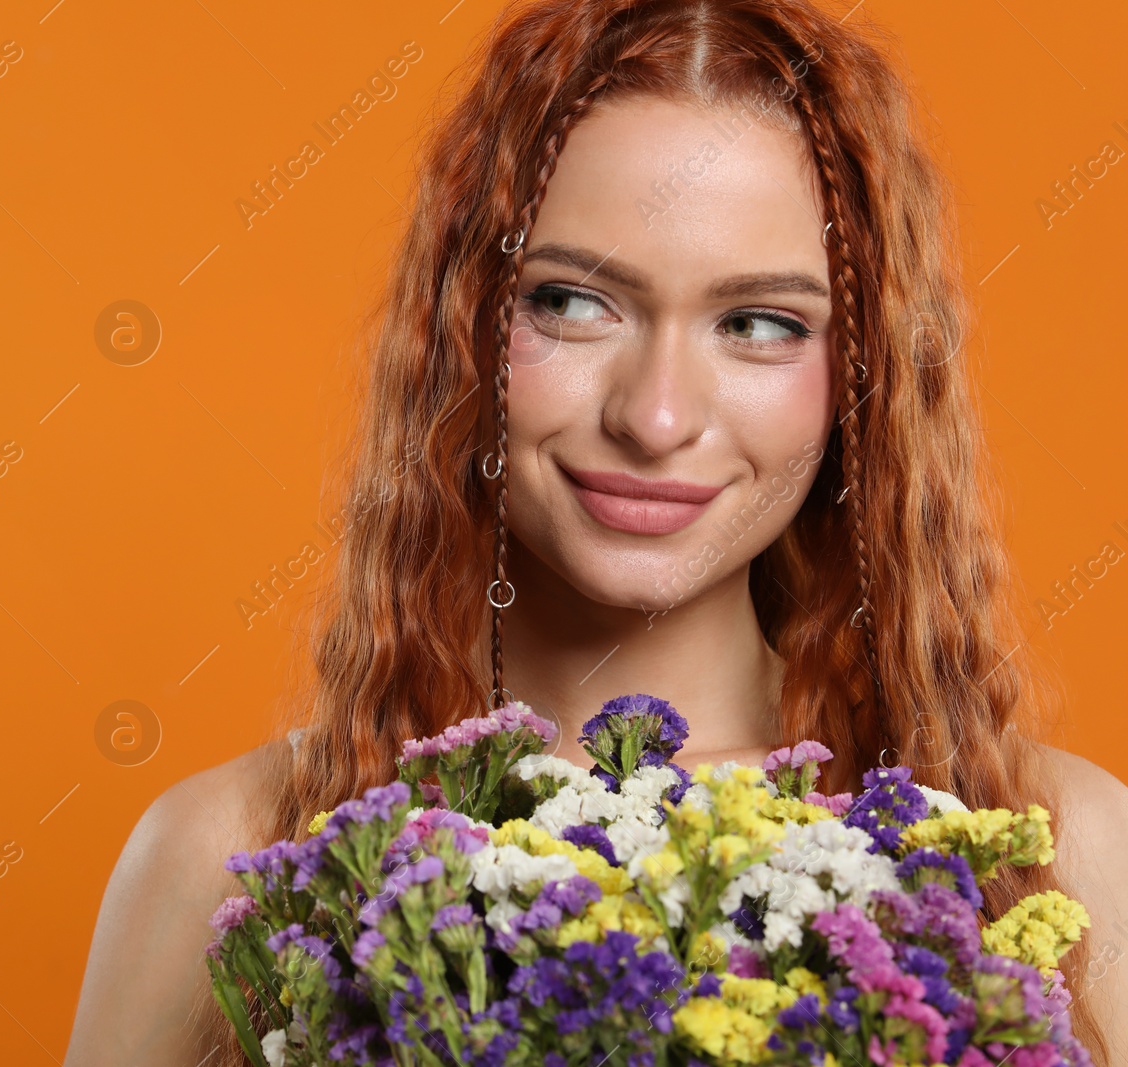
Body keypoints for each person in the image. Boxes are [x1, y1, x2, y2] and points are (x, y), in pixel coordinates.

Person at [64, 0, 1128, 1062]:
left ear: (862, 378)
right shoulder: (233, 856)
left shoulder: (1065, 850)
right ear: (464, 324)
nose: (655, 415)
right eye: (573, 302)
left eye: (758, 323)